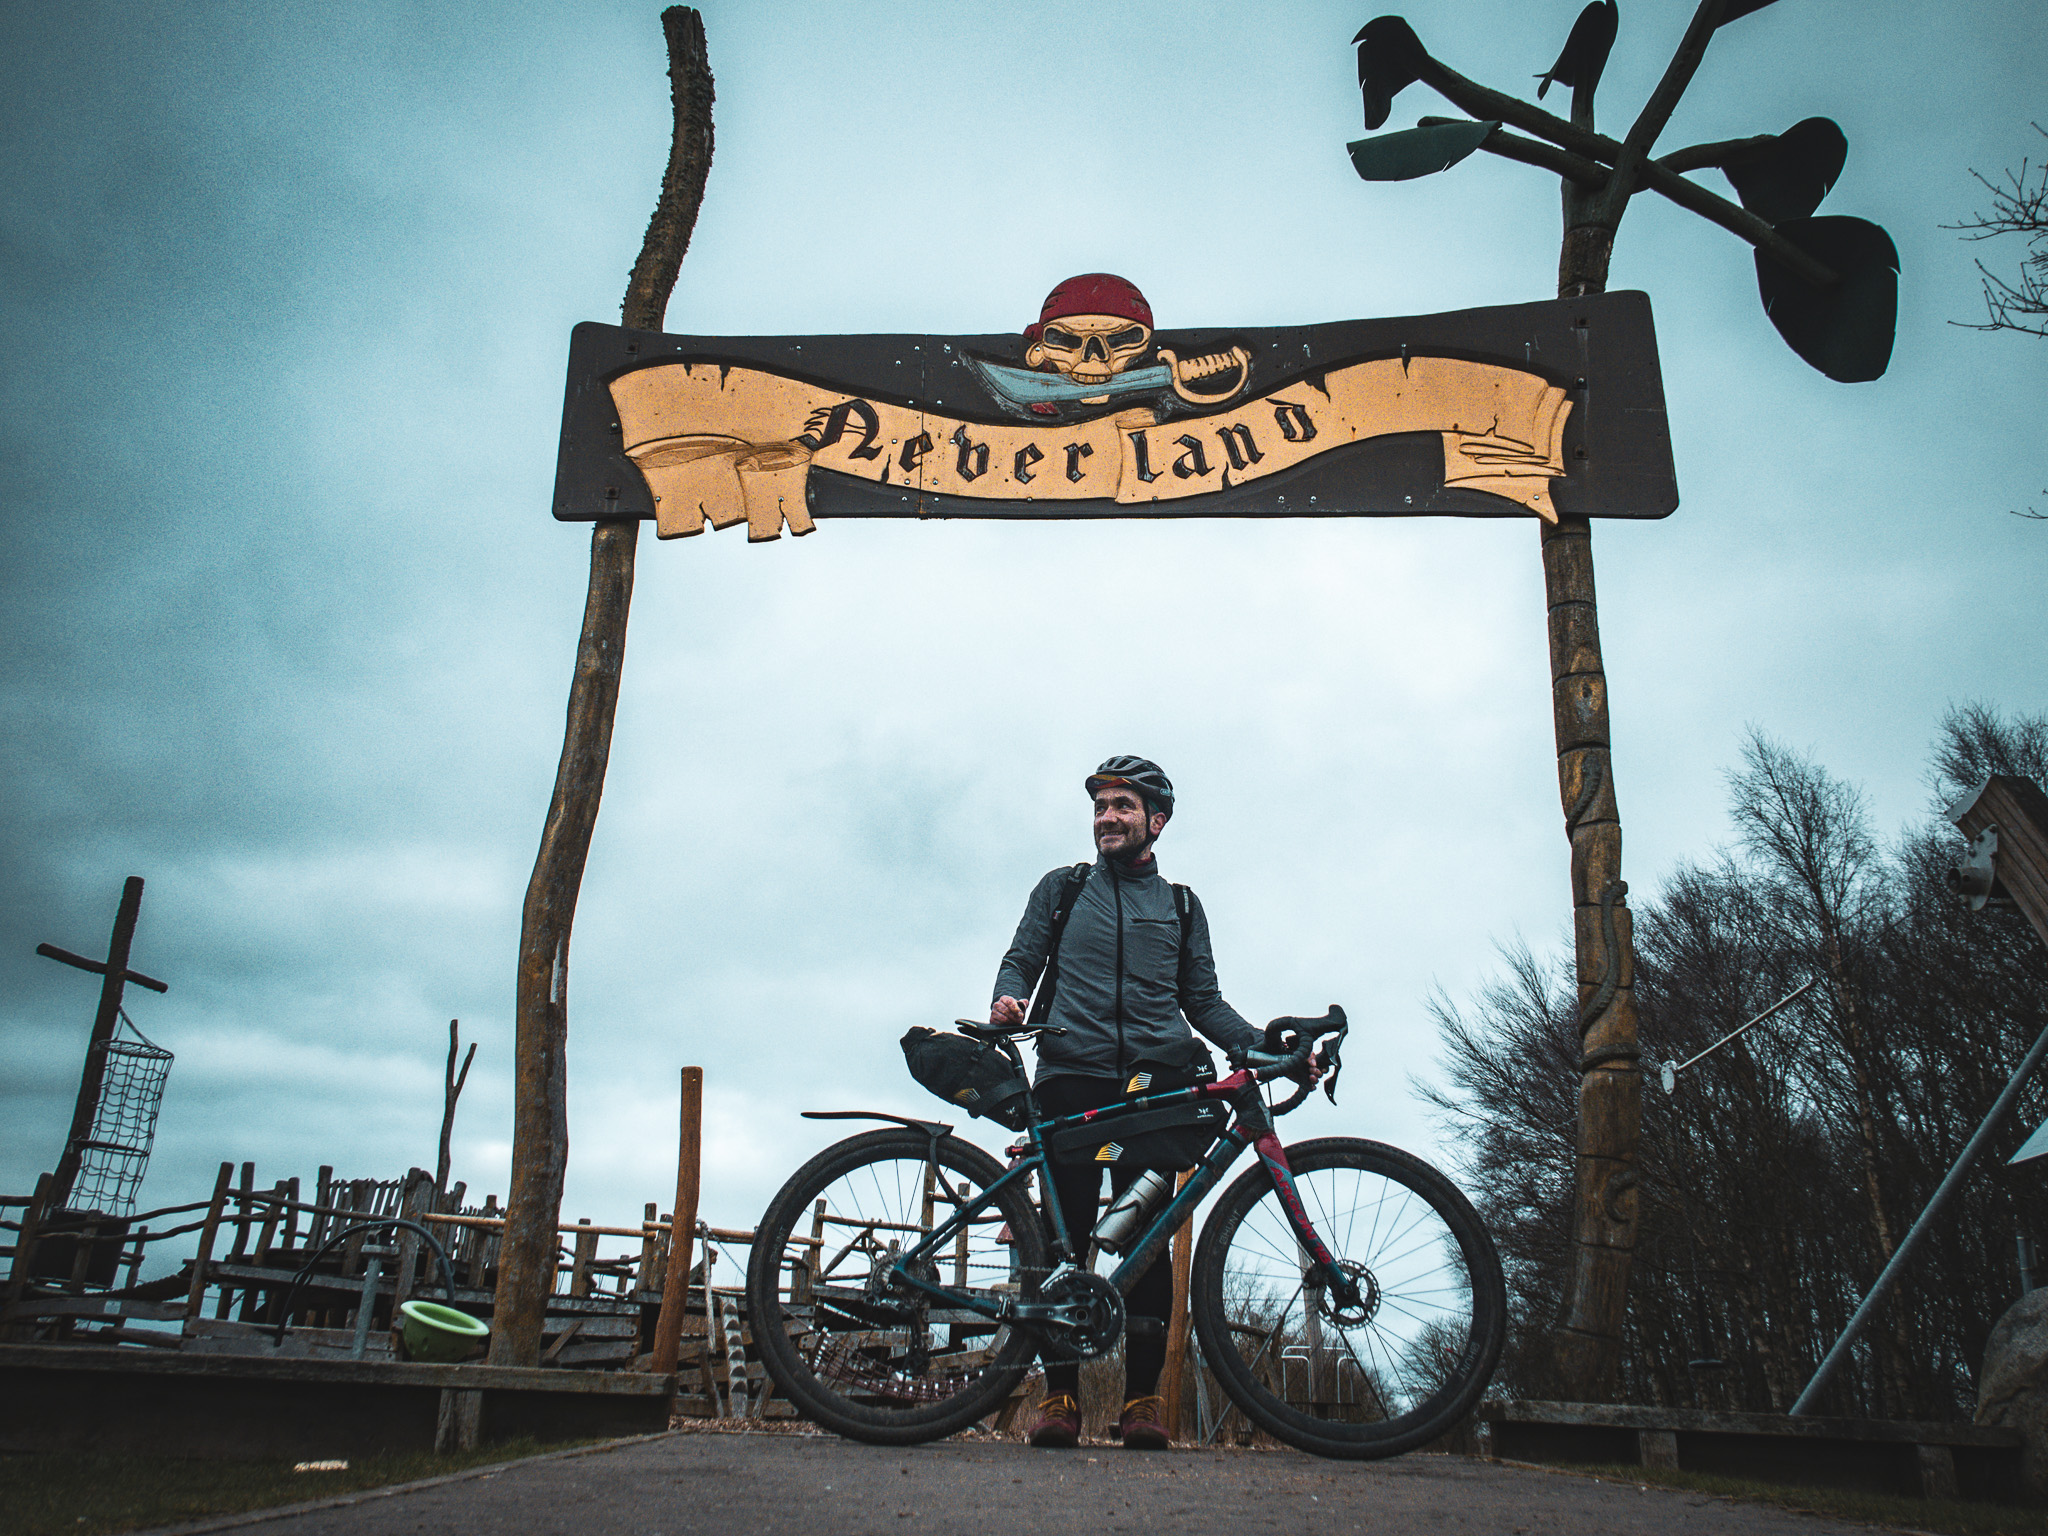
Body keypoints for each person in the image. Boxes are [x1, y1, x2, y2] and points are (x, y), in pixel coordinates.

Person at [991, 755, 1256, 1450]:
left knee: (1142, 1245)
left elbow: (1203, 1003)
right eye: (1101, 806)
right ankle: (1060, 1400)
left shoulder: (1181, 906)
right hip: (1070, 1077)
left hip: (1154, 1088)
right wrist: (1008, 996)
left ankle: (1141, 1405)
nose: (1107, 817)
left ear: (1155, 822)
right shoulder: (1064, 888)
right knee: (1065, 1241)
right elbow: (1022, 957)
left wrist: (1260, 1046)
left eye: (1123, 807)